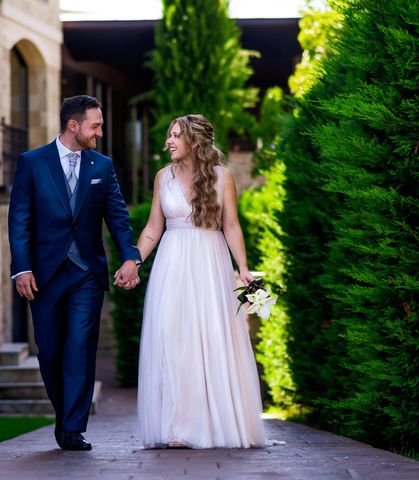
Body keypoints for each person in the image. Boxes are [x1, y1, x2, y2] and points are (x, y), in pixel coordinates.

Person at [8, 95, 141, 451]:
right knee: (50, 351)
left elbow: (117, 216)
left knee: (81, 347)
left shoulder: (102, 166)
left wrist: (130, 257)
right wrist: (21, 268)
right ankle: (63, 414)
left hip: (86, 274)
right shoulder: (32, 163)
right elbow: (19, 219)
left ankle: (72, 427)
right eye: (95, 125)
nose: (99, 132)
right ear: (73, 125)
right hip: (44, 274)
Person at [135, 114, 267, 449]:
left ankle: (212, 423)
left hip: (210, 263)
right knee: (173, 339)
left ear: (195, 142)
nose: (169, 141)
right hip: (171, 266)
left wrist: (244, 267)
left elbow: (232, 226)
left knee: (210, 339)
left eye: (176, 136)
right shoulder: (163, 177)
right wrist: (132, 262)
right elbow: (153, 228)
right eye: (169, 135)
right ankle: (177, 426)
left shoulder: (222, 177)